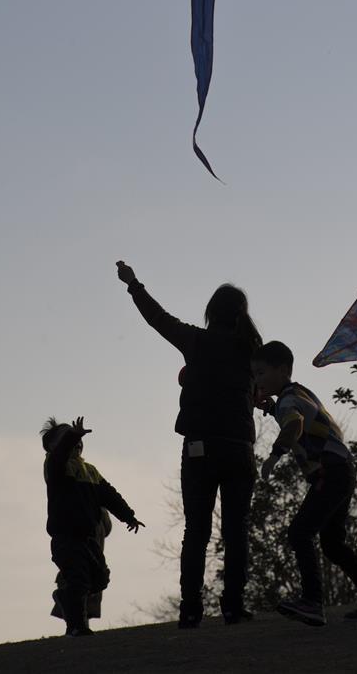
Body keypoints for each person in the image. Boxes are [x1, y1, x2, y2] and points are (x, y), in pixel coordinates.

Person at [116, 260, 261, 628]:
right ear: (241, 315)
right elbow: (256, 391)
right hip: (239, 448)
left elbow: (158, 318)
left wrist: (134, 283)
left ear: (211, 311)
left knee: (196, 529)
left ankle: (191, 609)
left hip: (200, 447)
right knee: (236, 528)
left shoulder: (197, 341)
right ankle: (232, 606)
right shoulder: (251, 351)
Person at [251, 341, 357, 626]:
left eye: (261, 374)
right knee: (332, 544)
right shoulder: (298, 393)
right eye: (254, 375)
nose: (257, 380)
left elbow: (294, 425)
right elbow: (296, 414)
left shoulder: (288, 401)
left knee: (300, 533)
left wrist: (274, 456)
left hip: (330, 472)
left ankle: (313, 601)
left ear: (282, 370)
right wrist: (270, 407)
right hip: (342, 470)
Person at [41, 415, 144, 636]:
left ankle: (65, 597)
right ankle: (76, 627)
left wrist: (128, 516)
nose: (75, 442)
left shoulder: (90, 471)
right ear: (51, 446)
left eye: (78, 439)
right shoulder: (55, 466)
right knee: (78, 580)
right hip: (66, 537)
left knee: (99, 579)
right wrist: (72, 435)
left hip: (88, 538)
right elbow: (60, 454)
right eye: (67, 438)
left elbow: (109, 495)